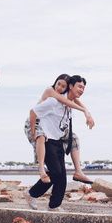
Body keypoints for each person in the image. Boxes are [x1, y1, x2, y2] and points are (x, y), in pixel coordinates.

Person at [27, 75, 89, 209]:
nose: (82, 90)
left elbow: (75, 103)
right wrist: (33, 133)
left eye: (84, 87)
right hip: (47, 139)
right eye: (79, 86)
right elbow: (33, 112)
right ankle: (31, 193)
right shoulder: (54, 101)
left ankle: (54, 206)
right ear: (70, 87)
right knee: (55, 172)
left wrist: (87, 113)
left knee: (61, 176)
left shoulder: (70, 105)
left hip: (58, 139)